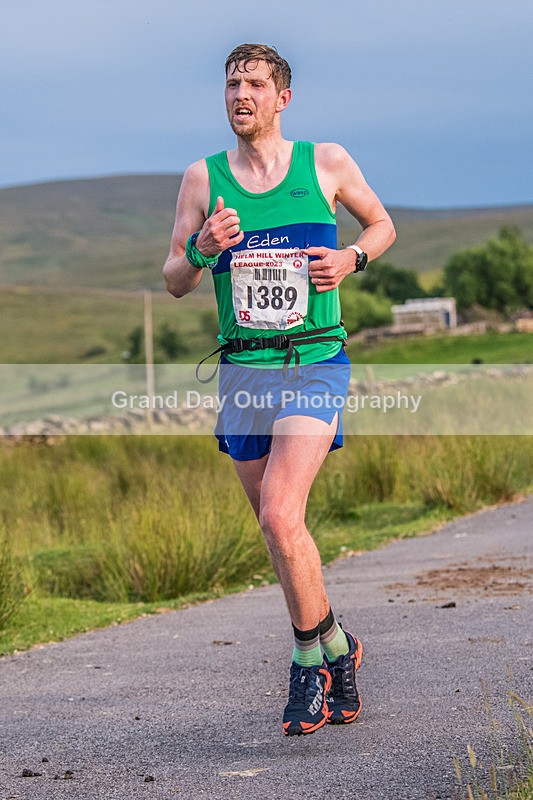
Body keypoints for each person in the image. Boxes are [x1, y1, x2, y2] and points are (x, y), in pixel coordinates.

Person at [163, 43, 396, 736]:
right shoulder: (202, 178)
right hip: (243, 369)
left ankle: (305, 667)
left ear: (281, 98)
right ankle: (338, 645)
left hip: (313, 361)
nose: (241, 94)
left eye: (255, 84)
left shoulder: (323, 162)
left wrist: (351, 257)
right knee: (280, 528)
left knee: (278, 514)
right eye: (232, 83)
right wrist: (203, 246)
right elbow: (174, 278)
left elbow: (381, 224)